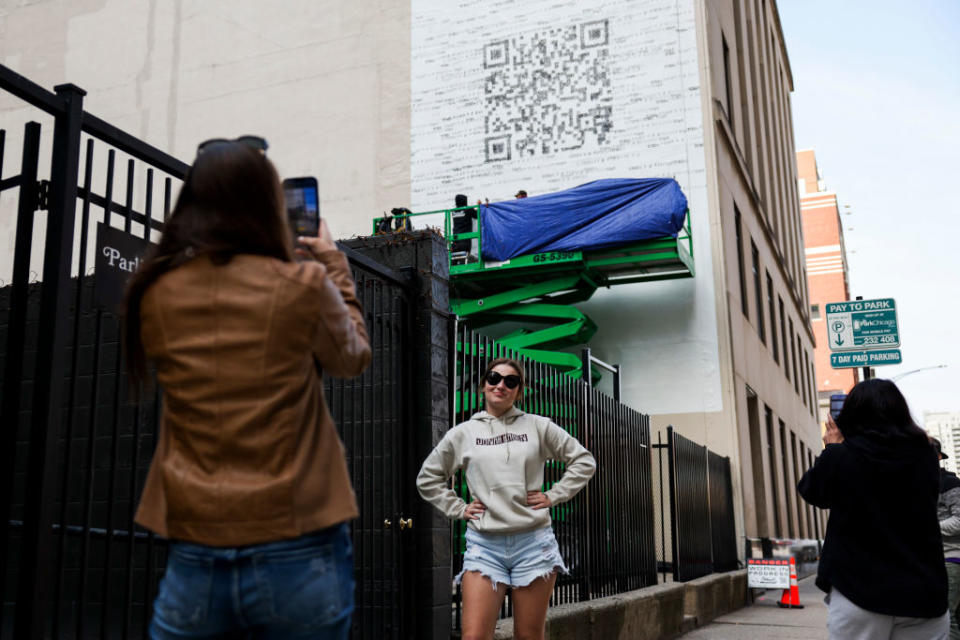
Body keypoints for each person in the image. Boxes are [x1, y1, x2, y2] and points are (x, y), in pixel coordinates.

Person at [122, 137, 371, 639]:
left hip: (195, 541)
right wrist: (334, 269)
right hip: (297, 536)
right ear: (267, 203)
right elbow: (351, 357)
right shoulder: (301, 283)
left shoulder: (153, 293)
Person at [416, 357, 595, 640]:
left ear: (518, 391)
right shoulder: (463, 433)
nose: (501, 385)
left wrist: (554, 495)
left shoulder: (538, 426)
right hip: (485, 544)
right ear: (482, 386)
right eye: (494, 378)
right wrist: (458, 508)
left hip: (534, 543)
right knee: (474, 636)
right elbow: (427, 478)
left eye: (511, 381)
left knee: (528, 635)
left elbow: (584, 461)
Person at [798, 379, 948, 640]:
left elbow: (813, 491)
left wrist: (832, 447)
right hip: (923, 592)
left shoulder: (841, 456)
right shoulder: (924, 457)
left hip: (859, 591)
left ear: (850, 415)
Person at [934, 438, 960, 639]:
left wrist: (929, 528)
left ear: (939, 456)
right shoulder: (918, 485)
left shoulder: (950, 483)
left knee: (946, 617)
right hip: (933, 562)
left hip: (952, 559)